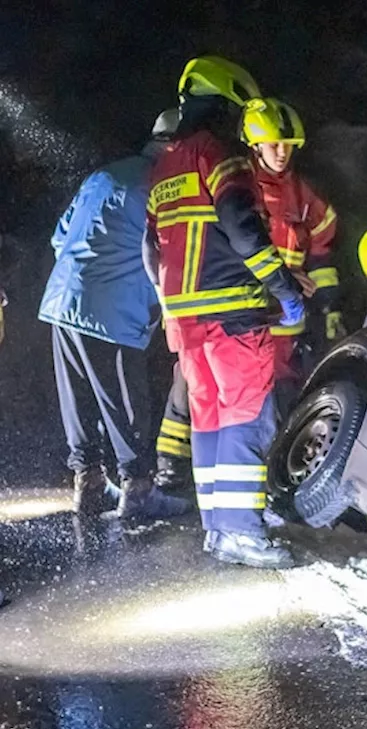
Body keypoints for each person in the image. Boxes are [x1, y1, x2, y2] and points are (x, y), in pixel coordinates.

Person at [144, 56, 306, 568]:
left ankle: (218, 528)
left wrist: (173, 301)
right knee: (246, 419)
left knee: (209, 420)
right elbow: (243, 231)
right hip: (234, 315)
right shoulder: (223, 157)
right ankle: (241, 532)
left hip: (184, 322)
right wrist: (283, 288)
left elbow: (150, 247)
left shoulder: (166, 165)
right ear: (227, 104)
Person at [37, 111, 192, 520]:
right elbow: (169, 254)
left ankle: (87, 484)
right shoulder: (164, 185)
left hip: (63, 300)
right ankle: (138, 489)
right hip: (113, 311)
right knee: (124, 402)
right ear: (176, 145)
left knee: (79, 399)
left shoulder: (103, 175)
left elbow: (60, 237)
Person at [240, 97, 342, 413]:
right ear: (256, 146)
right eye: (274, 145)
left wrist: (328, 308)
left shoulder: (303, 194)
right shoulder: (240, 188)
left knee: (289, 401)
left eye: (288, 145)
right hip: (250, 320)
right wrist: (284, 277)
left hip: (291, 327)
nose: (283, 152)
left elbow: (321, 251)